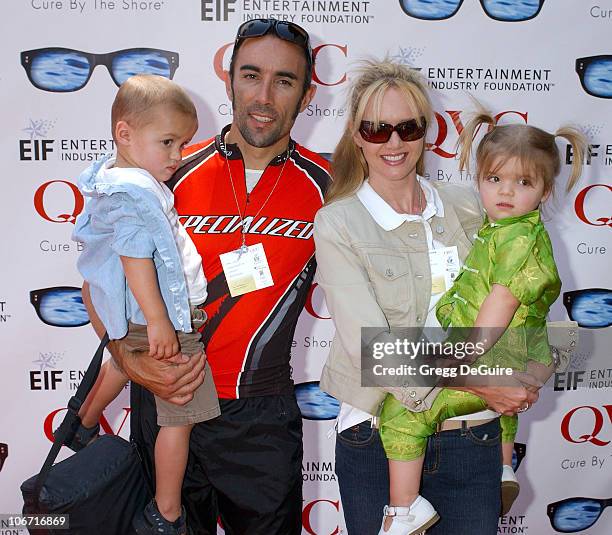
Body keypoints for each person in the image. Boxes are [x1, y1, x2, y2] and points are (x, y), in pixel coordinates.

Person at [81, 19, 331, 534]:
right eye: (250, 75)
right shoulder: (163, 172)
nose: (263, 96)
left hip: (261, 422)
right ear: (229, 80)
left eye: (284, 81)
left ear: (307, 95)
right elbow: (97, 283)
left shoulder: (328, 189)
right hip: (167, 404)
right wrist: (129, 358)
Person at [313, 58, 576, 535]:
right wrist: (485, 383)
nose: (394, 142)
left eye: (407, 127)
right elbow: (370, 348)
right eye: (376, 129)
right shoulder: (338, 223)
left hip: (472, 437)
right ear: (357, 135)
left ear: (425, 131)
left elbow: (525, 293)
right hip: (377, 438)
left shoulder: (471, 204)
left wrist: (527, 369)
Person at [376, 113, 586, 533]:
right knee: (505, 403)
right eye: (494, 179)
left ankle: (403, 511)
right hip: (512, 356)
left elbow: (494, 317)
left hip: (486, 355)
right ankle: (505, 466)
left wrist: (452, 364)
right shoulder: (502, 228)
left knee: (403, 409)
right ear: (479, 180)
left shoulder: (517, 241)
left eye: (523, 183)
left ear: (545, 191)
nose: (506, 191)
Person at [71, 74, 220, 535]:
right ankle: (166, 512)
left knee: (122, 360)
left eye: (184, 144)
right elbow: (136, 258)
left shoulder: (118, 181)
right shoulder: (136, 192)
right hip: (165, 322)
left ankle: (83, 422)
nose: (178, 156)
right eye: (169, 142)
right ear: (125, 134)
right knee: (179, 415)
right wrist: (160, 322)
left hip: (137, 320)